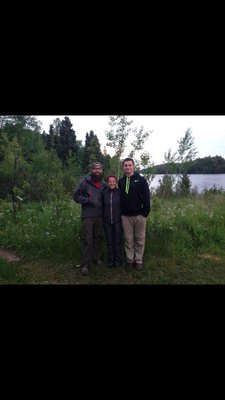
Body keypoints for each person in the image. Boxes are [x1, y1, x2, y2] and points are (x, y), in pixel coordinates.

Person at [118, 158, 150, 271]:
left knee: (140, 239)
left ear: (133, 166)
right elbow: (119, 198)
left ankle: (139, 260)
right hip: (125, 216)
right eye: (125, 165)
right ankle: (129, 260)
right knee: (128, 239)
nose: (127, 167)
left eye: (129, 165)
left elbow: (146, 197)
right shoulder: (121, 181)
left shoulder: (141, 180)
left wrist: (145, 213)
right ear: (123, 167)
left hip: (139, 215)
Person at [74, 161, 106, 276]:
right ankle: (85, 265)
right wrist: (87, 200)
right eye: (95, 169)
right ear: (91, 170)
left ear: (102, 171)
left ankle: (96, 259)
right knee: (88, 239)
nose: (97, 171)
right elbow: (76, 196)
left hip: (100, 215)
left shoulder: (103, 184)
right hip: (88, 216)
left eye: (99, 169)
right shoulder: (84, 182)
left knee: (98, 237)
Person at [102, 175, 122, 268]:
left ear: (116, 182)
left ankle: (117, 261)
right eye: (110, 181)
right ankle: (111, 261)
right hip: (107, 222)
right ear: (107, 182)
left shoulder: (119, 193)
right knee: (109, 242)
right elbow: (101, 207)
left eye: (113, 181)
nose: (112, 183)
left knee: (117, 242)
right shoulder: (104, 193)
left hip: (117, 221)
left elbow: (123, 207)